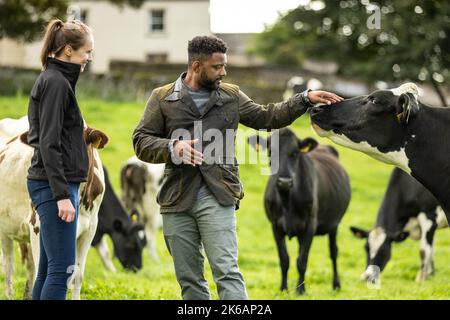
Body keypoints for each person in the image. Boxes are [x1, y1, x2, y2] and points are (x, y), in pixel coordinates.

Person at [132, 35, 342, 300]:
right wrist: (173, 148)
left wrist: (305, 99)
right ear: (196, 66)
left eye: (224, 65)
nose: (224, 72)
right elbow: (140, 141)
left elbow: (268, 116)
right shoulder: (162, 98)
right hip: (176, 198)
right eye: (217, 67)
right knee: (189, 279)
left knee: (227, 272)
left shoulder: (231, 95)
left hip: (218, 195)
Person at [26, 19, 94, 300]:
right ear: (68, 50)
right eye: (87, 51)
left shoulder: (56, 79)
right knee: (62, 269)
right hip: (55, 186)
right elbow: (48, 142)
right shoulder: (56, 83)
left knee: (48, 269)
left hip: (52, 184)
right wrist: (62, 195)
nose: (89, 57)